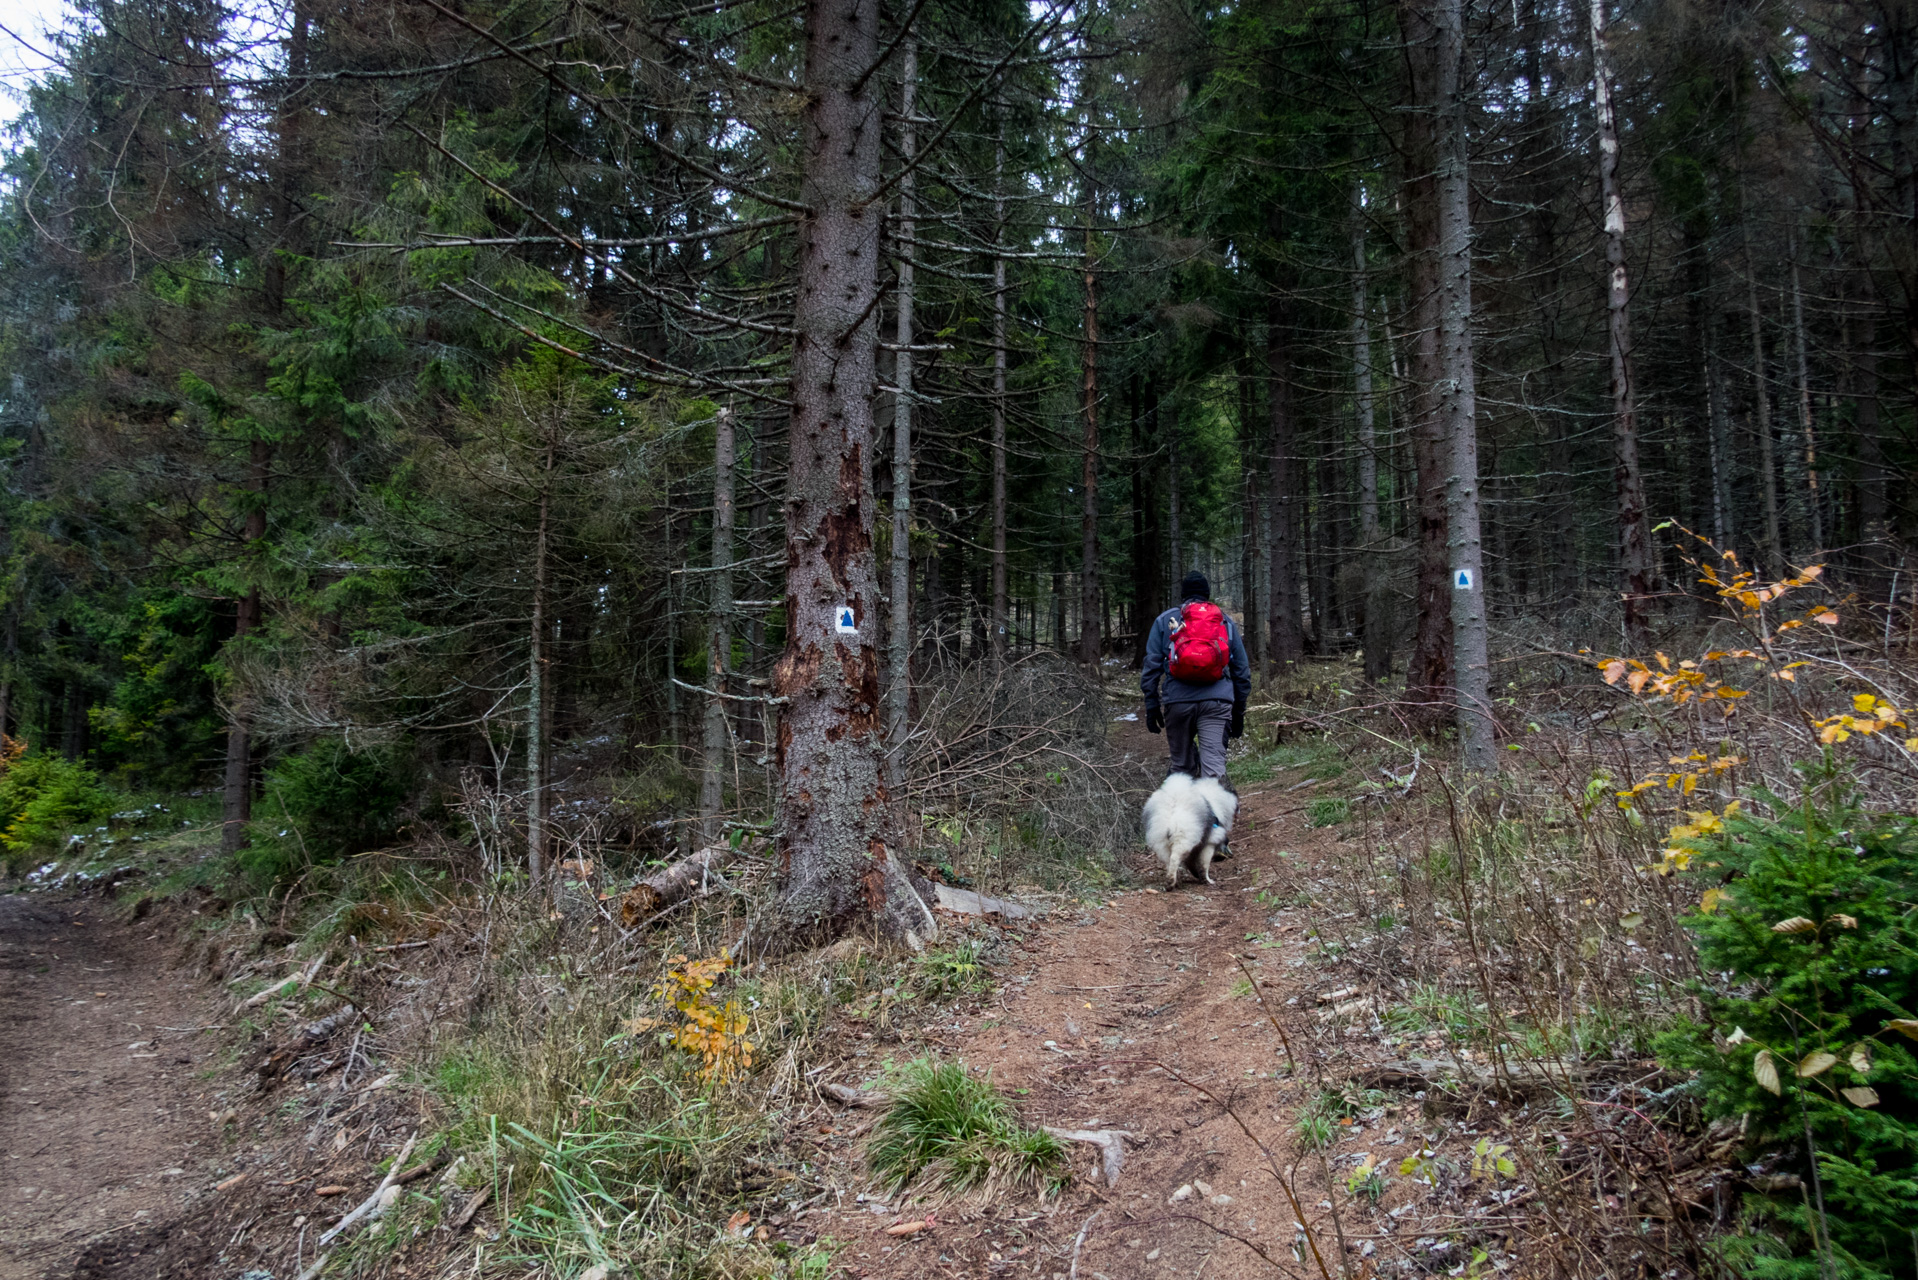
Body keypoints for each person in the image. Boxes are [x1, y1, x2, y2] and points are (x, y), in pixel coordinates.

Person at [1140, 571, 1251, 780]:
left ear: (1183, 595)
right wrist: (1238, 712)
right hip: (1217, 702)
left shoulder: (1165, 620)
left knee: (1182, 769)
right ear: (1206, 595)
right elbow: (1241, 671)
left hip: (1178, 702)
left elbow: (1151, 666)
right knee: (1214, 772)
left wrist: (1152, 704)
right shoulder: (1224, 622)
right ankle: (1213, 811)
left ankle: (1182, 810)